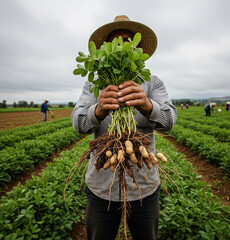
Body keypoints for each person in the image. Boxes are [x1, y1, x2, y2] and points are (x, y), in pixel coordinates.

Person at [71, 15, 177, 240]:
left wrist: (148, 105)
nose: (122, 46)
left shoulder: (153, 82)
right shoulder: (94, 84)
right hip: (101, 186)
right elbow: (78, 123)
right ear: (106, 48)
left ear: (136, 49)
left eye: (128, 41)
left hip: (144, 186)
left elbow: (169, 121)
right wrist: (98, 109)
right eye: (115, 41)